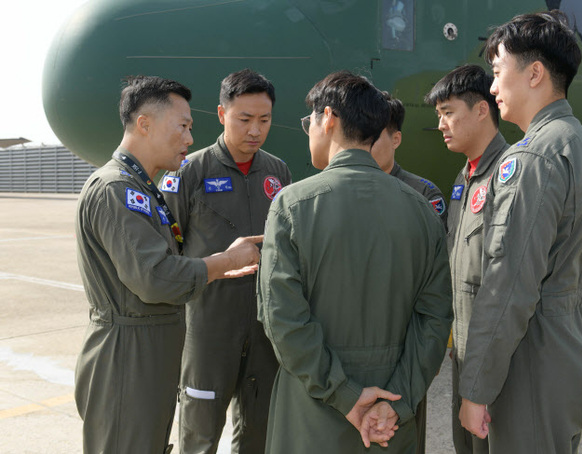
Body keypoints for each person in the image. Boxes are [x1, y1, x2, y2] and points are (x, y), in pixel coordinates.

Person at [256, 71, 453, 453]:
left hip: (312, 416)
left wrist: (345, 394)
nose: (308, 130)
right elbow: (435, 317)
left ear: (327, 119)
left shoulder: (293, 205)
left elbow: (281, 318)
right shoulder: (421, 209)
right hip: (392, 419)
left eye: (309, 120)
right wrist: (397, 398)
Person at [74, 75, 263, 454]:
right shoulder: (117, 190)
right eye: (183, 126)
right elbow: (156, 277)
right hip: (128, 357)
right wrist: (225, 261)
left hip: (148, 352)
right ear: (145, 123)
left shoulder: (142, 189)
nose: (190, 139)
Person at [457, 11, 582, 453]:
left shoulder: (533, 157)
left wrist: (477, 388)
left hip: (531, 361)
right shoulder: (576, 142)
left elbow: (509, 284)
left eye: (499, 71)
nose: (492, 86)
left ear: (535, 73)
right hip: (565, 347)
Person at [162, 69, 291, 454]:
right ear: (221, 114)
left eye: (264, 120)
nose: (255, 130)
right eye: (244, 119)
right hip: (208, 328)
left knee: (259, 432)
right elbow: (169, 252)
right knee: (199, 435)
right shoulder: (188, 172)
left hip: (266, 327)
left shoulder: (278, 172)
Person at [423, 63, 509, 454]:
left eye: (448, 113)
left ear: (481, 110)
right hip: (465, 346)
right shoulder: (465, 176)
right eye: (438, 115)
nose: (441, 124)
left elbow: (507, 281)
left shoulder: (508, 175)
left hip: (494, 353)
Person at [369, 91, 446, 454]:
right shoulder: (344, 190)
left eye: (376, 136)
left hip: (405, 343)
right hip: (355, 336)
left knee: (402, 435)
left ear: (396, 138)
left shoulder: (422, 194)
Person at [371, 91, 448, 226]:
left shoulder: (424, 194)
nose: (363, 144)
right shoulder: (341, 191)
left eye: (372, 137)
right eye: (359, 137)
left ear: (395, 140)